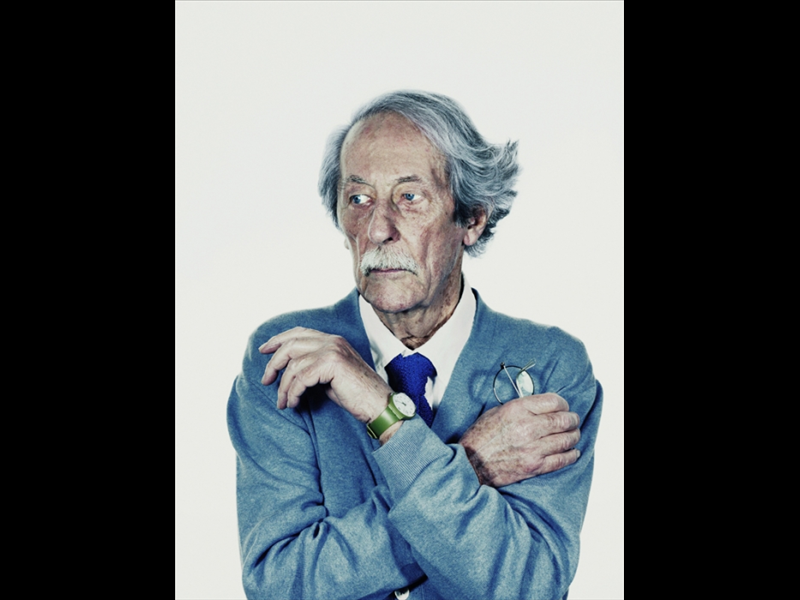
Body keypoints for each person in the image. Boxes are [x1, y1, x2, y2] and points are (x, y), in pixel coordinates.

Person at [227, 91, 603, 600]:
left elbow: (526, 585)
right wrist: (469, 464)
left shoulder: (550, 364)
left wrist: (382, 412)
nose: (378, 229)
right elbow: (280, 585)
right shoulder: (288, 356)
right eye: (358, 200)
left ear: (472, 219)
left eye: (409, 197)